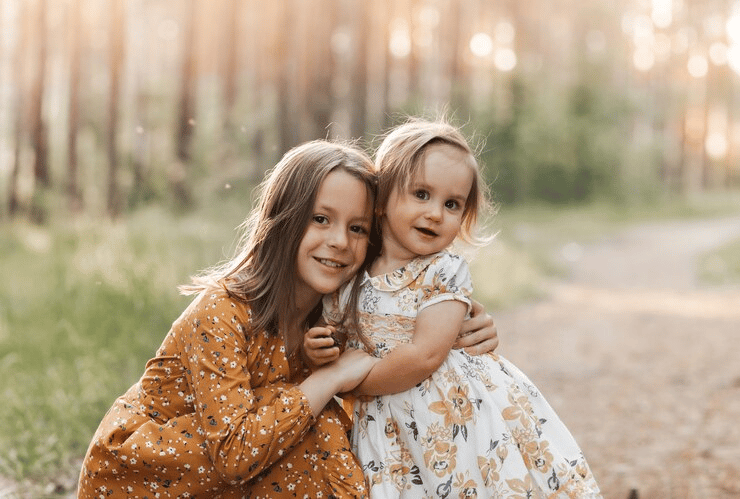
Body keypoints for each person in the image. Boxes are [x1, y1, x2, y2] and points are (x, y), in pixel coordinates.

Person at [78, 139, 499, 498]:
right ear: (283, 220)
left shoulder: (338, 306)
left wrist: (460, 315)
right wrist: (328, 378)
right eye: (320, 219)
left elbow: (407, 310)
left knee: (321, 426)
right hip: (144, 473)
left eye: (357, 229)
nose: (338, 242)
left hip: (233, 472)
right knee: (315, 421)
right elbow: (235, 454)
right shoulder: (221, 311)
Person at [305, 119, 602, 498]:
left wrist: (351, 383)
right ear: (381, 201)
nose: (435, 214)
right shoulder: (352, 272)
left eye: (451, 204)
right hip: (388, 421)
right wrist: (321, 348)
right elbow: (333, 334)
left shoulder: (443, 271)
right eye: (421, 194)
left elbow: (426, 354)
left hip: (446, 415)